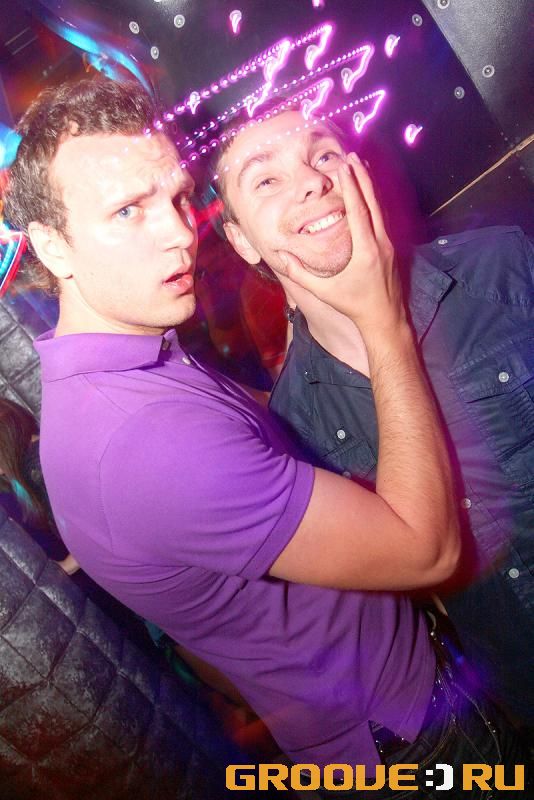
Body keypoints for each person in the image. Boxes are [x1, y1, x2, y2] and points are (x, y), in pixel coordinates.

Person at [3, 77, 528, 798]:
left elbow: (201, 627)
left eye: (176, 198)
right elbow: (426, 550)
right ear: (51, 245)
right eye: (128, 210)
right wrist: (380, 319)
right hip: (416, 745)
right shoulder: (140, 438)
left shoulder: (134, 364)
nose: (177, 233)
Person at [215, 105, 534, 732]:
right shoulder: (292, 427)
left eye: (323, 154)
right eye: (266, 179)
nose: (311, 181)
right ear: (242, 240)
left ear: (360, 174)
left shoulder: (502, 267)